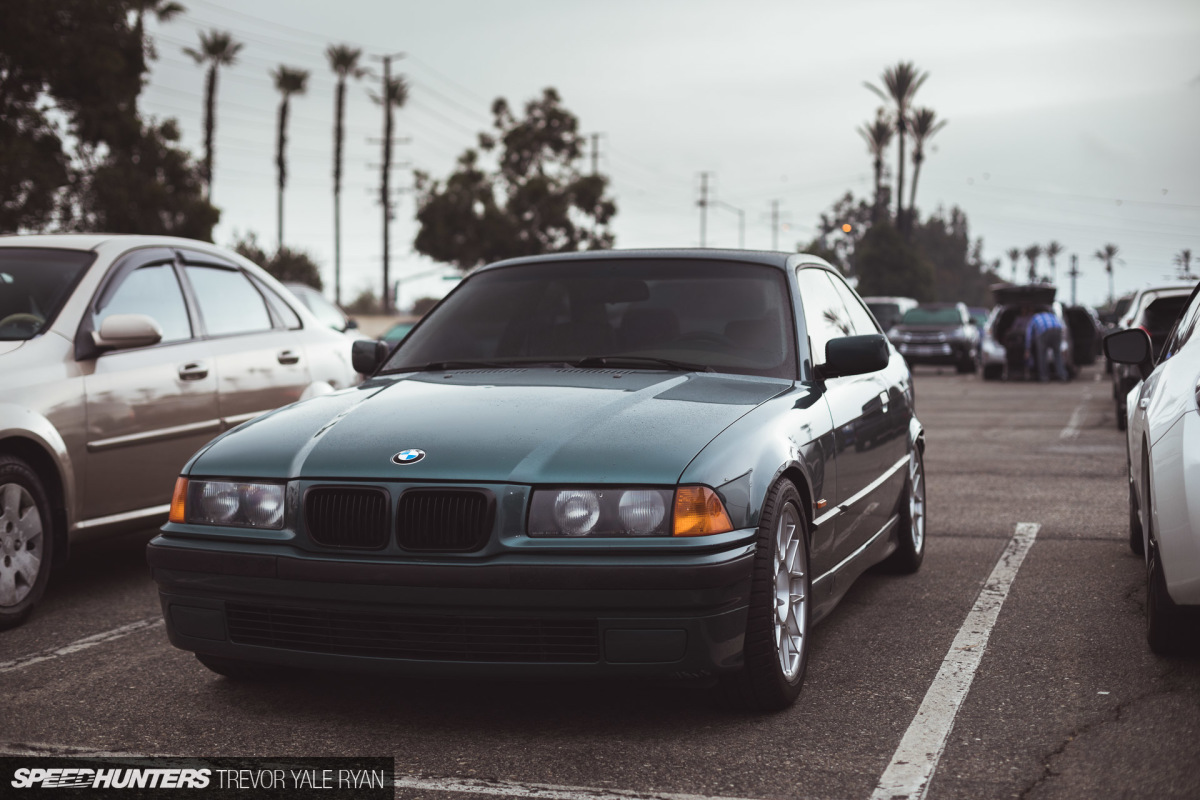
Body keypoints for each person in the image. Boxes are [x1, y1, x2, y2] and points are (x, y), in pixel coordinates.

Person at [1025, 307, 1068, 381]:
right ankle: (1063, 376)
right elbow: (1061, 325)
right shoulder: (1051, 315)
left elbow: (1029, 334)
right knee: (1058, 355)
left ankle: (1044, 377)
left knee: (1042, 356)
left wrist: (1027, 349)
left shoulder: (1034, 317)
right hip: (1057, 330)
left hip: (1044, 331)